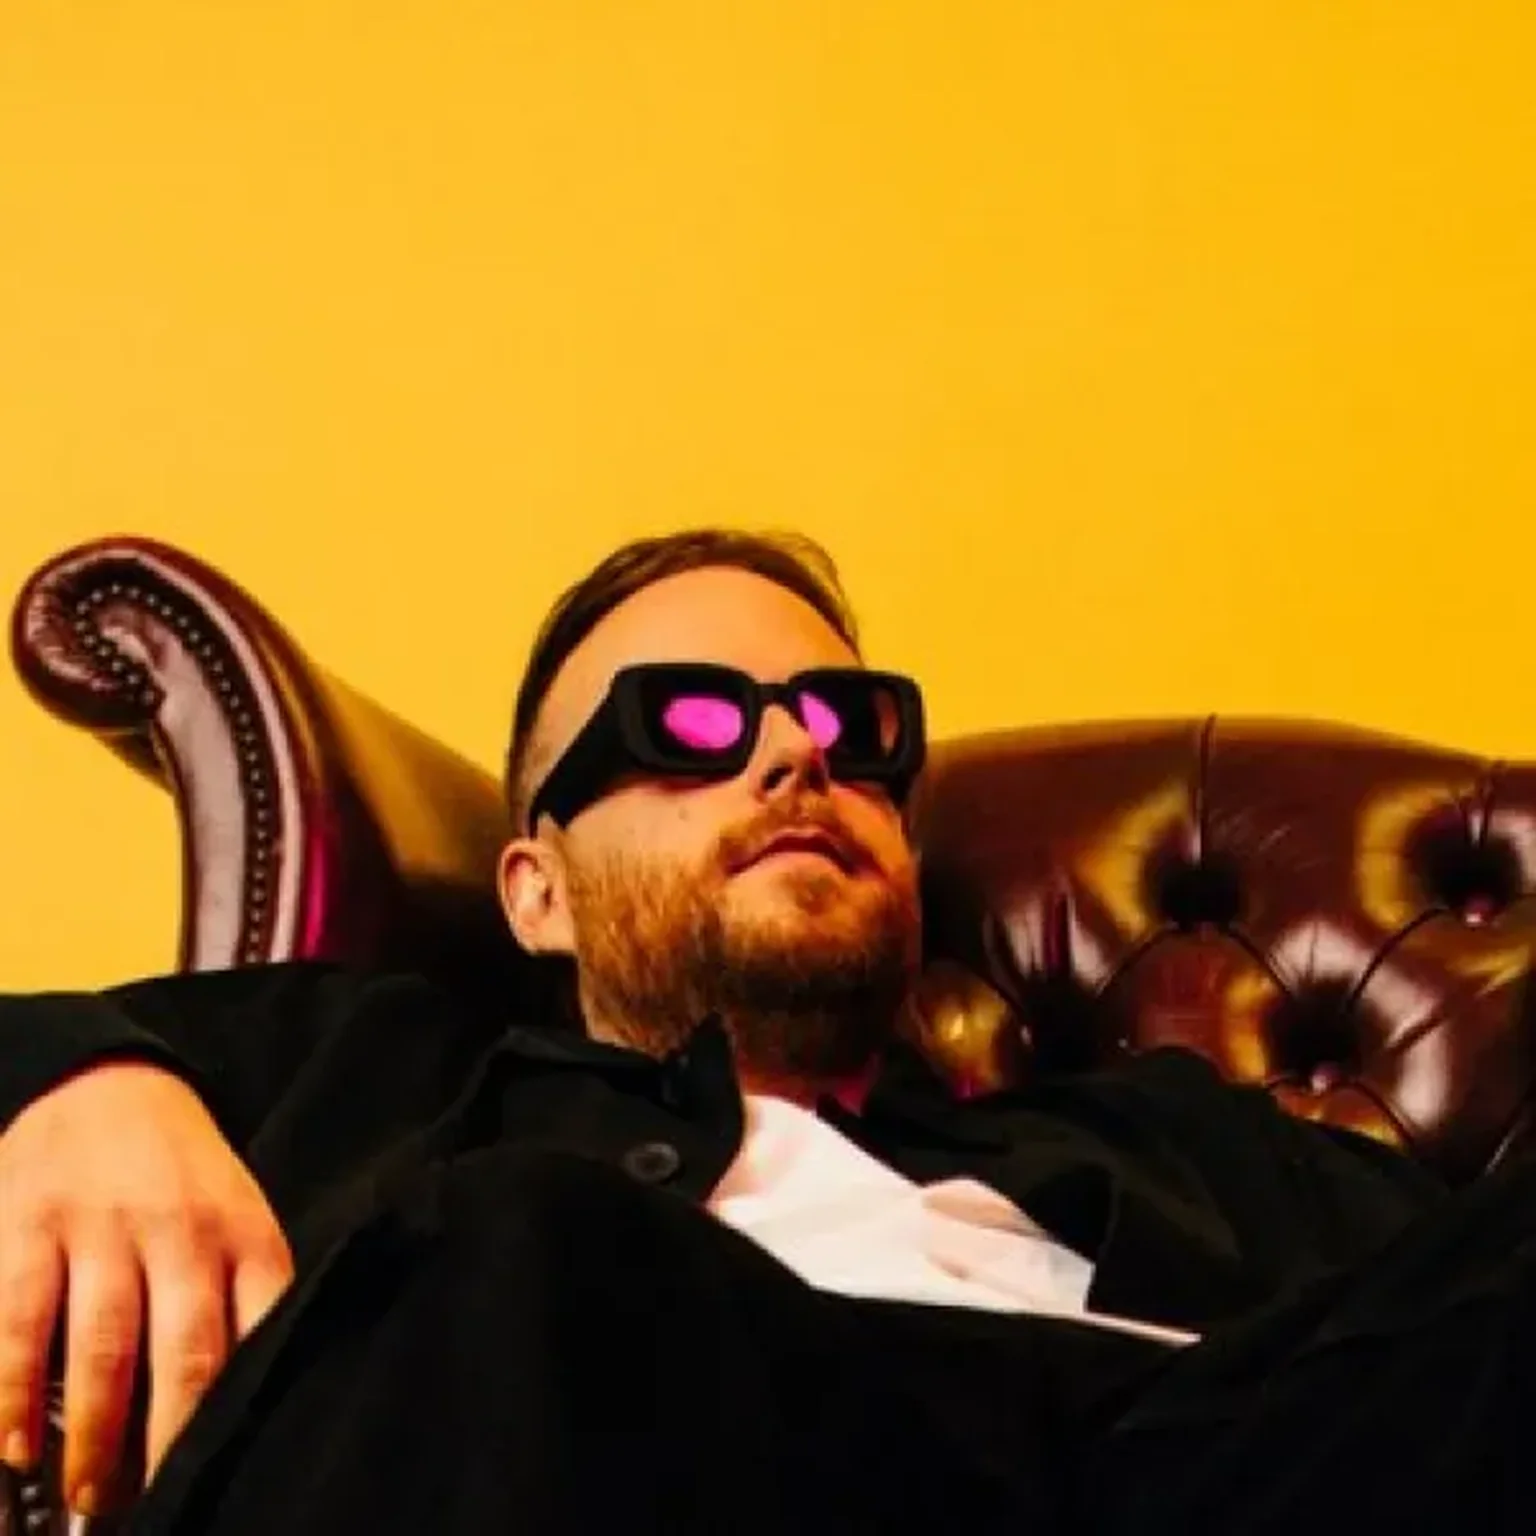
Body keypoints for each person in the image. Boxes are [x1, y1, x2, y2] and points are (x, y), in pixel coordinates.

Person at [0, 528, 1530, 1535]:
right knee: (526, 1241)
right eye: (687, 722)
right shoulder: (386, 1075)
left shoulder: (1182, 1139)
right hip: (665, 1445)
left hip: (1199, 1476)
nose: (799, 751)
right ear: (536, 891)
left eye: (855, 727)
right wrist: (83, 1082)